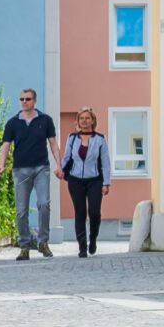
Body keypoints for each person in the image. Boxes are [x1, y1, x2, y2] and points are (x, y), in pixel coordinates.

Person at [0, 87, 60, 259]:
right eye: (22, 99)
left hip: (41, 169)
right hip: (20, 170)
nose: (24, 102)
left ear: (34, 101)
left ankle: (43, 242)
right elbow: (5, 145)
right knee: (21, 210)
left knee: (44, 204)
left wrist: (59, 165)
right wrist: (1, 164)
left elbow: (53, 144)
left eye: (28, 99)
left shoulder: (45, 120)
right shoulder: (13, 123)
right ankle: (24, 246)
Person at [60, 108, 110, 257]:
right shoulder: (72, 138)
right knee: (80, 212)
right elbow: (67, 157)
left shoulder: (100, 139)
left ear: (92, 121)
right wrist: (61, 170)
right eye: (81, 118)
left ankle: (93, 239)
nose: (84, 121)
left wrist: (106, 183)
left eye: (87, 118)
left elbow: (105, 163)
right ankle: (82, 247)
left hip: (94, 180)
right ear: (78, 121)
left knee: (94, 212)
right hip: (75, 180)